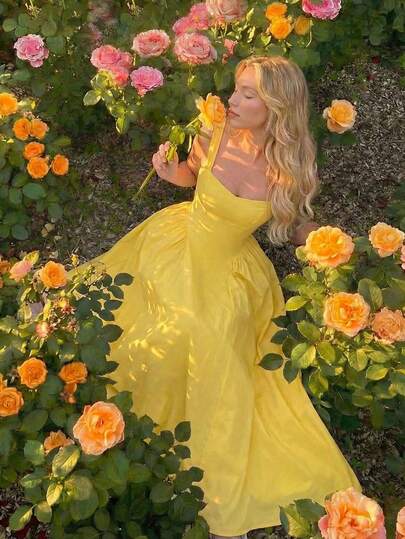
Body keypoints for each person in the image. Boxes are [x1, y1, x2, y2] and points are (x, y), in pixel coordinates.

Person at [83, 55, 362, 538]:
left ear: (276, 106)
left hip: (231, 271)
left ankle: (176, 444)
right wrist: (171, 172)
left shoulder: (285, 170)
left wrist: (330, 247)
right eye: (236, 89)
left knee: (207, 331)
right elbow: (192, 175)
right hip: (178, 242)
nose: (233, 100)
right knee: (167, 319)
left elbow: (298, 223)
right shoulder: (213, 131)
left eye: (248, 94)